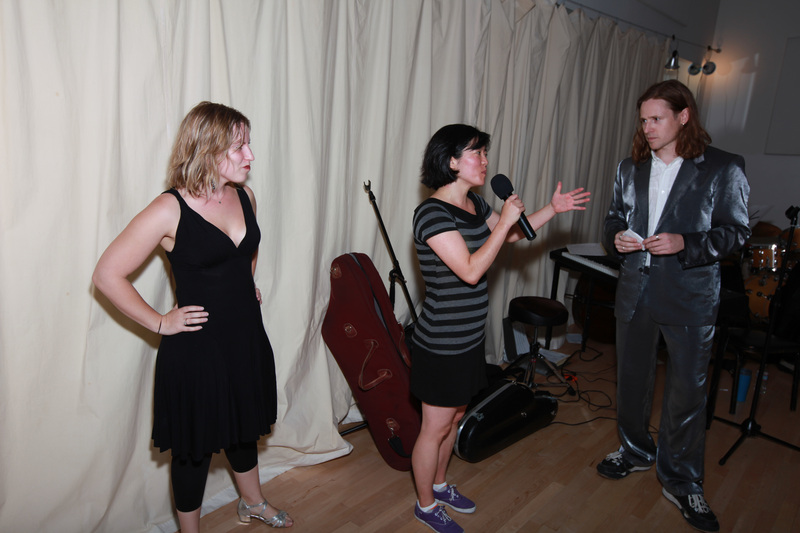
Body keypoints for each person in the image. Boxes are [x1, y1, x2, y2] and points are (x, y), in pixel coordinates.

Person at [93, 102, 292, 531]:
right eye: (239, 147)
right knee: (193, 447)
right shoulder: (169, 209)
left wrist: (245, 281)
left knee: (244, 426)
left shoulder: (245, 196)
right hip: (197, 348)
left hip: (245, 335)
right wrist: (160, 322)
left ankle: (253, 502)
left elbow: (245, 250)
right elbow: (107, 275)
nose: (250, 155)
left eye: (249, 144)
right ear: (207, 149)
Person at [410, 124, 590, 533]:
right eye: (476, 153)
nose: (485, 161)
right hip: (442, 342)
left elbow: (510, 236)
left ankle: (439, 485)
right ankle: (425, 506)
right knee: (434, 428)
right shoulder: (432, 214)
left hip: (469, 337)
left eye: (485, 152)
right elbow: (471, 270)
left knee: (455, 418)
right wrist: (505, 217)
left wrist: (551, 209)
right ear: (451, 161)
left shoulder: (473, 202)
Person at [597, 80, 750, 532]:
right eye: (643, 120)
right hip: (634, 292)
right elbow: (612, 219)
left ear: (684, 116)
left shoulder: (723, 167)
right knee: (631, 383)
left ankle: (682, 481)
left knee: (687, 394)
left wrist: (686, 243)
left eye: (656, 119)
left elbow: (736, 232)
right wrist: (616, 238)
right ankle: (634, 450)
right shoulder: (629, 168)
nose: (647, 127)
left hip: (689, 298)